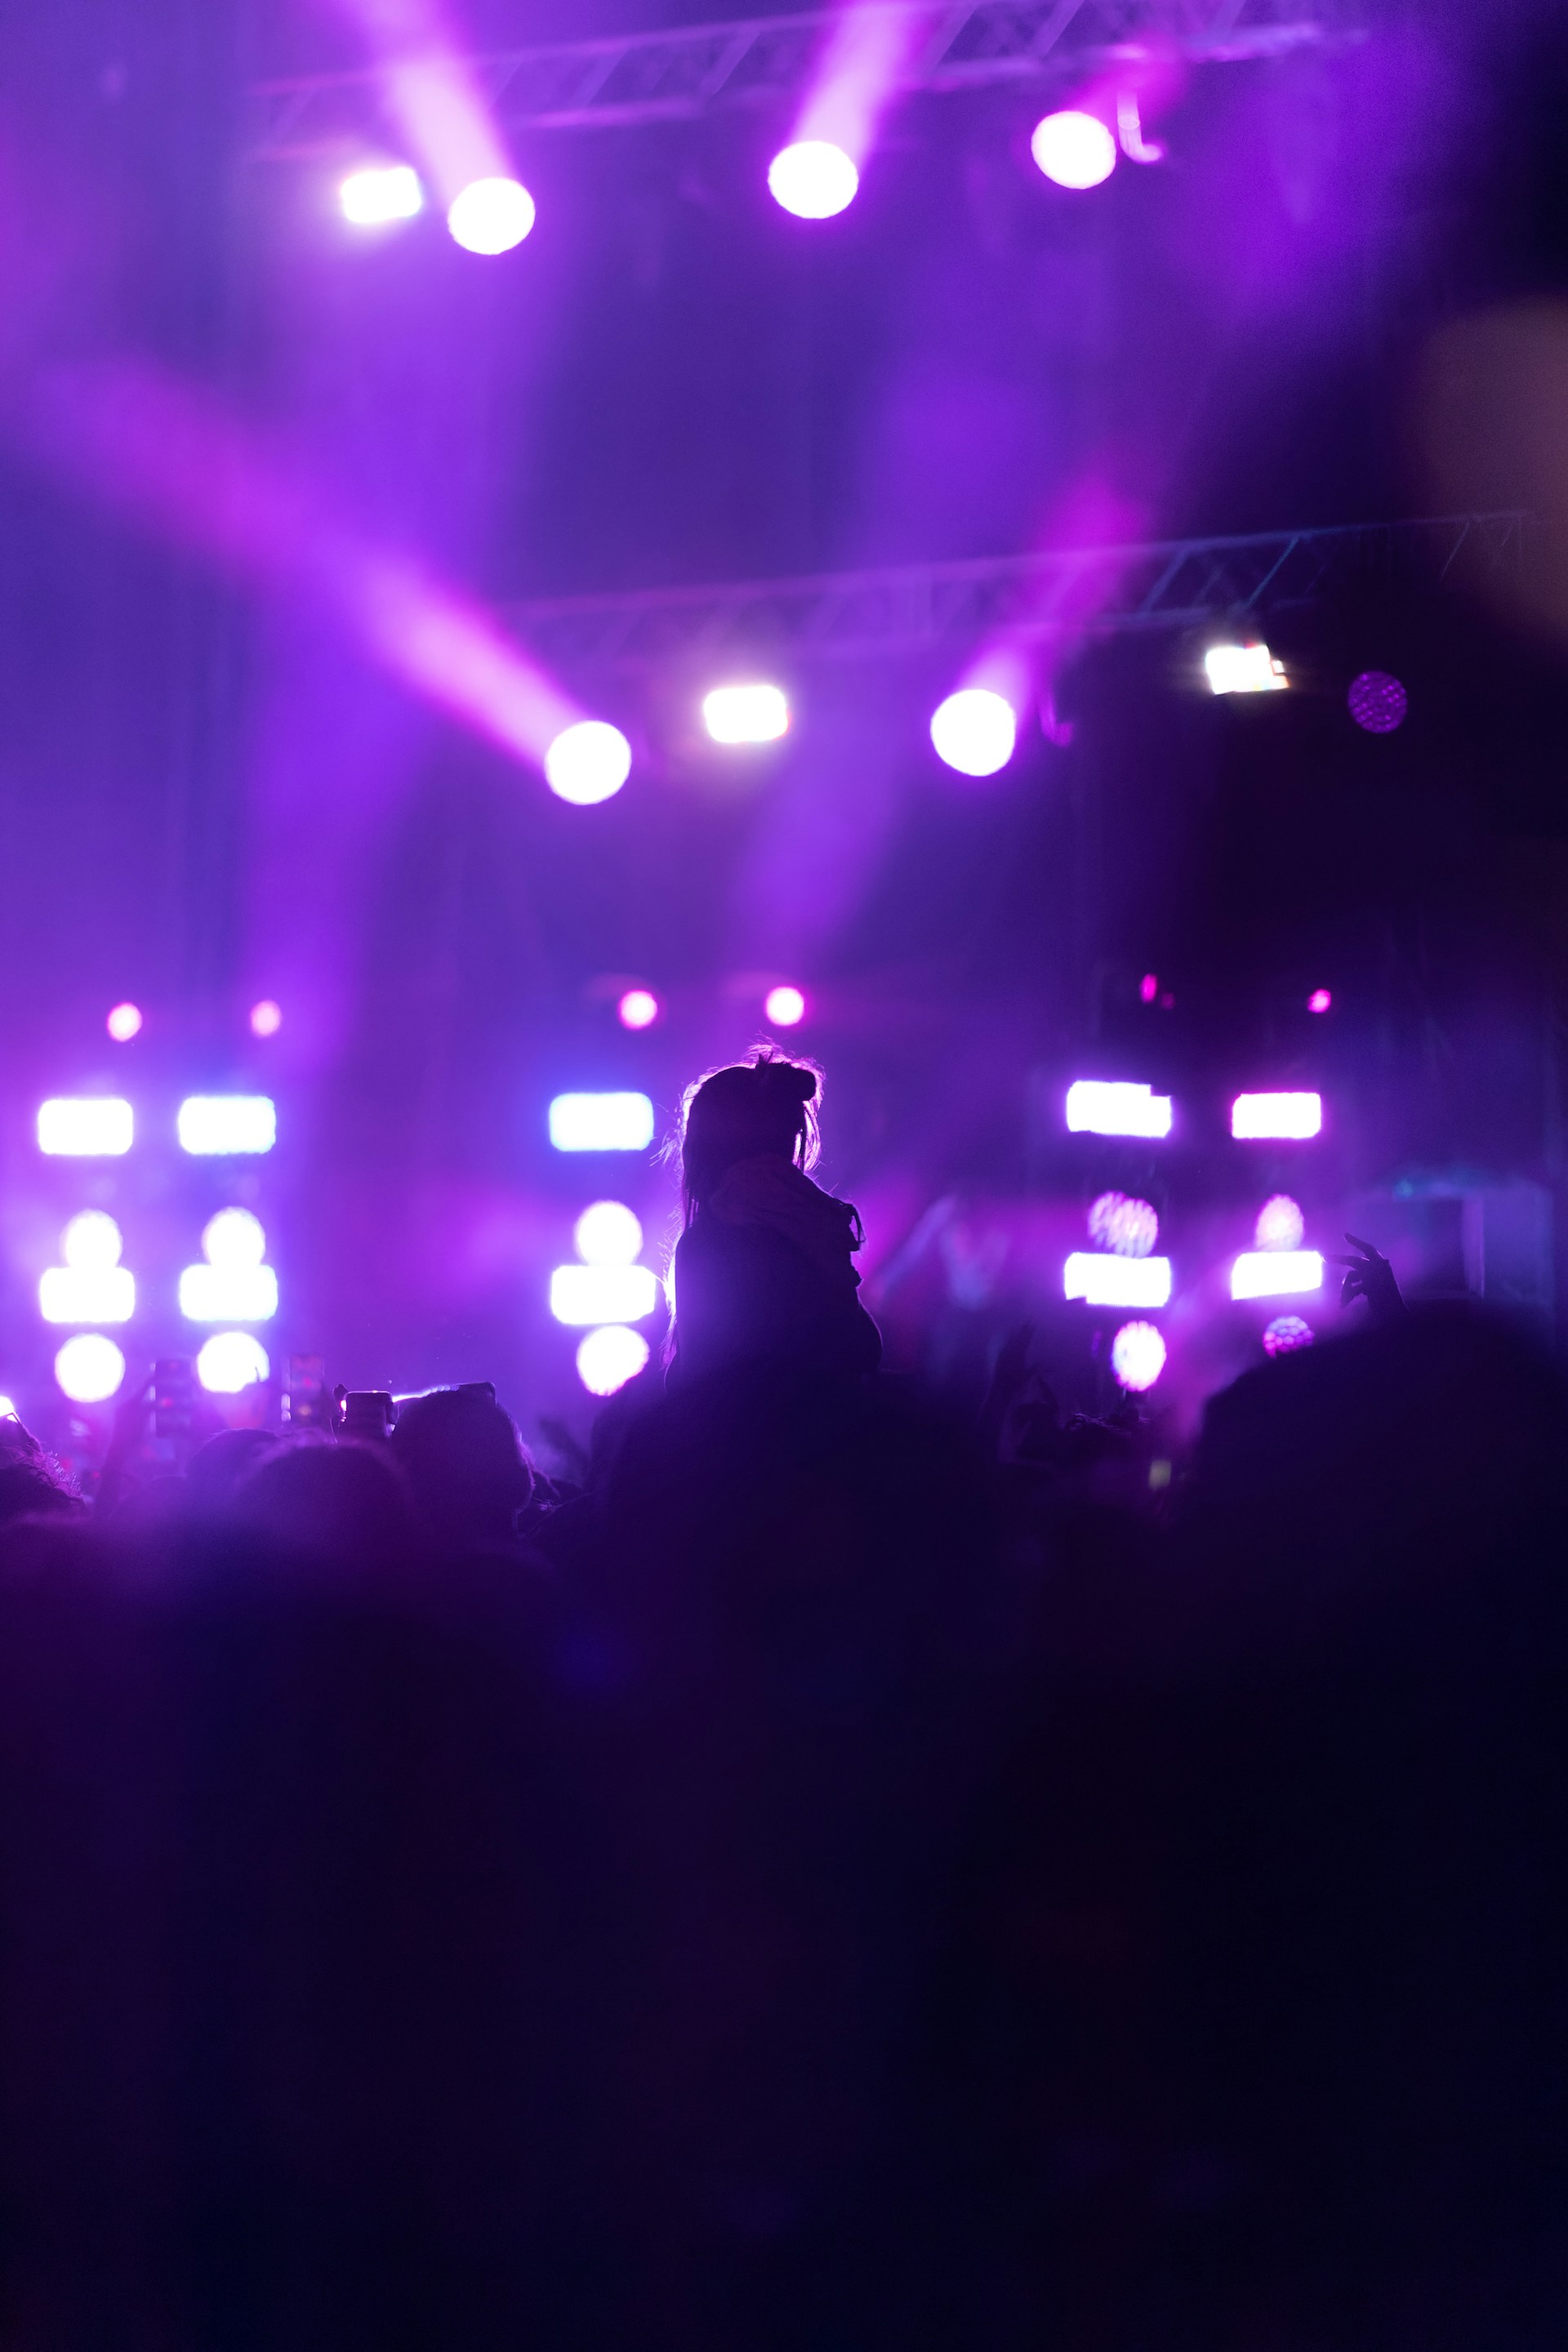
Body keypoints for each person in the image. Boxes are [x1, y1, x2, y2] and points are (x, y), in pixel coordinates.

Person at [666, 1048, 881, 1390]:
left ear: (701, 1152)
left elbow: (699, 1385)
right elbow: (864, 1349)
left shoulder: (706, 1245)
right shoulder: (818, 1222)